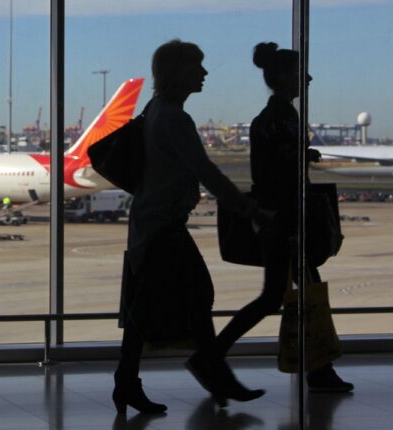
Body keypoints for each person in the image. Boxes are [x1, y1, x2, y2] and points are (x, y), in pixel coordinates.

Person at [113, 39, 266, 415]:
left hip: (152, 222)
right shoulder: (174, 119)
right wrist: (247, 208)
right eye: (197, 66)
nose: (204, 73)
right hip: (162, 225)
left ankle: (133, 383)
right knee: (194, 296)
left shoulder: (156, 110)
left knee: (147, 308)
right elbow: (206, 170)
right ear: (178, 71)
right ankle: (211, 374)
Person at [214, 42, 354, 393]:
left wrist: (300, 153)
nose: (307, 78)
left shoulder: (275, 117)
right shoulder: (279, 118)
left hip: (280, 219)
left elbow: (272, 166)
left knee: (283, 295)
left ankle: (317, 368)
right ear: (281, 77)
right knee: (290, 295)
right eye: (298, 72)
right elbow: (278, 175)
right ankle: (214, 354)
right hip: (285, 221)